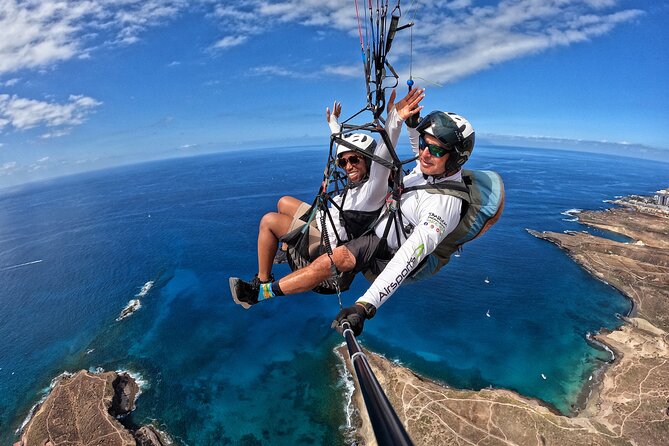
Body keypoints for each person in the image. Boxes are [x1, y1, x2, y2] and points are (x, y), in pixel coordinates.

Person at [231, 105, 476, 338]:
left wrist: (365, 306)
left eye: (435, 150)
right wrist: (409, 123)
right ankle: (285, 249)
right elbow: (415, 149)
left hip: (382, 248)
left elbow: (409, 255)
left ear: (455, 158)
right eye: (424, 144)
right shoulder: (426, 172)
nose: (423, 153)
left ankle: (262, 290)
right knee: (284, 202)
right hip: (372, 227)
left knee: (290, 232)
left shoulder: (443, 205)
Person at [231, 89, 425, 304]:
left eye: (354, 160)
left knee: (269, 221)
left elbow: (383, 157)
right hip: (324, 222)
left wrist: (395, 120)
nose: (348, 166)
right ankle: (285, 249)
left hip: (326, 243)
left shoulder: (373, 189)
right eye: (343, 162)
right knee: (283, 201)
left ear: (368, 161)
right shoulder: (358, 183)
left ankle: (262, 281)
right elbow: (343, 146)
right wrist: (334, 124)